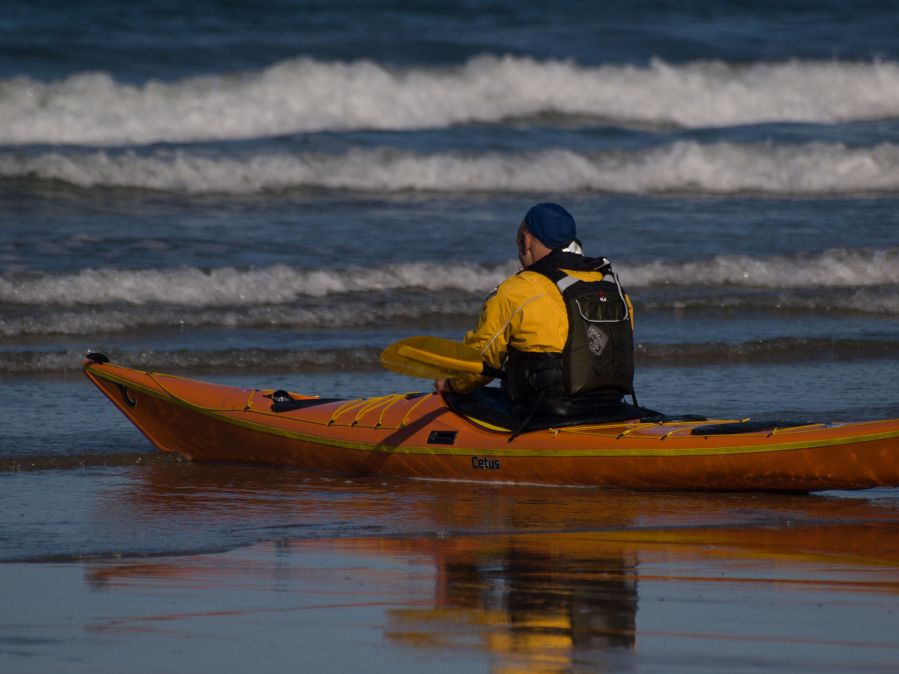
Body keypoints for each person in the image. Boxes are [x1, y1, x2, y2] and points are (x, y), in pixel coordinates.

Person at [436, 202, 636, 419]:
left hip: (547, 412)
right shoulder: (612, 287)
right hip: (612, 407)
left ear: (525, 240)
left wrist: (451, 384)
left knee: (463, 397)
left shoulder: (516, 290)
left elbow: (480, 363)